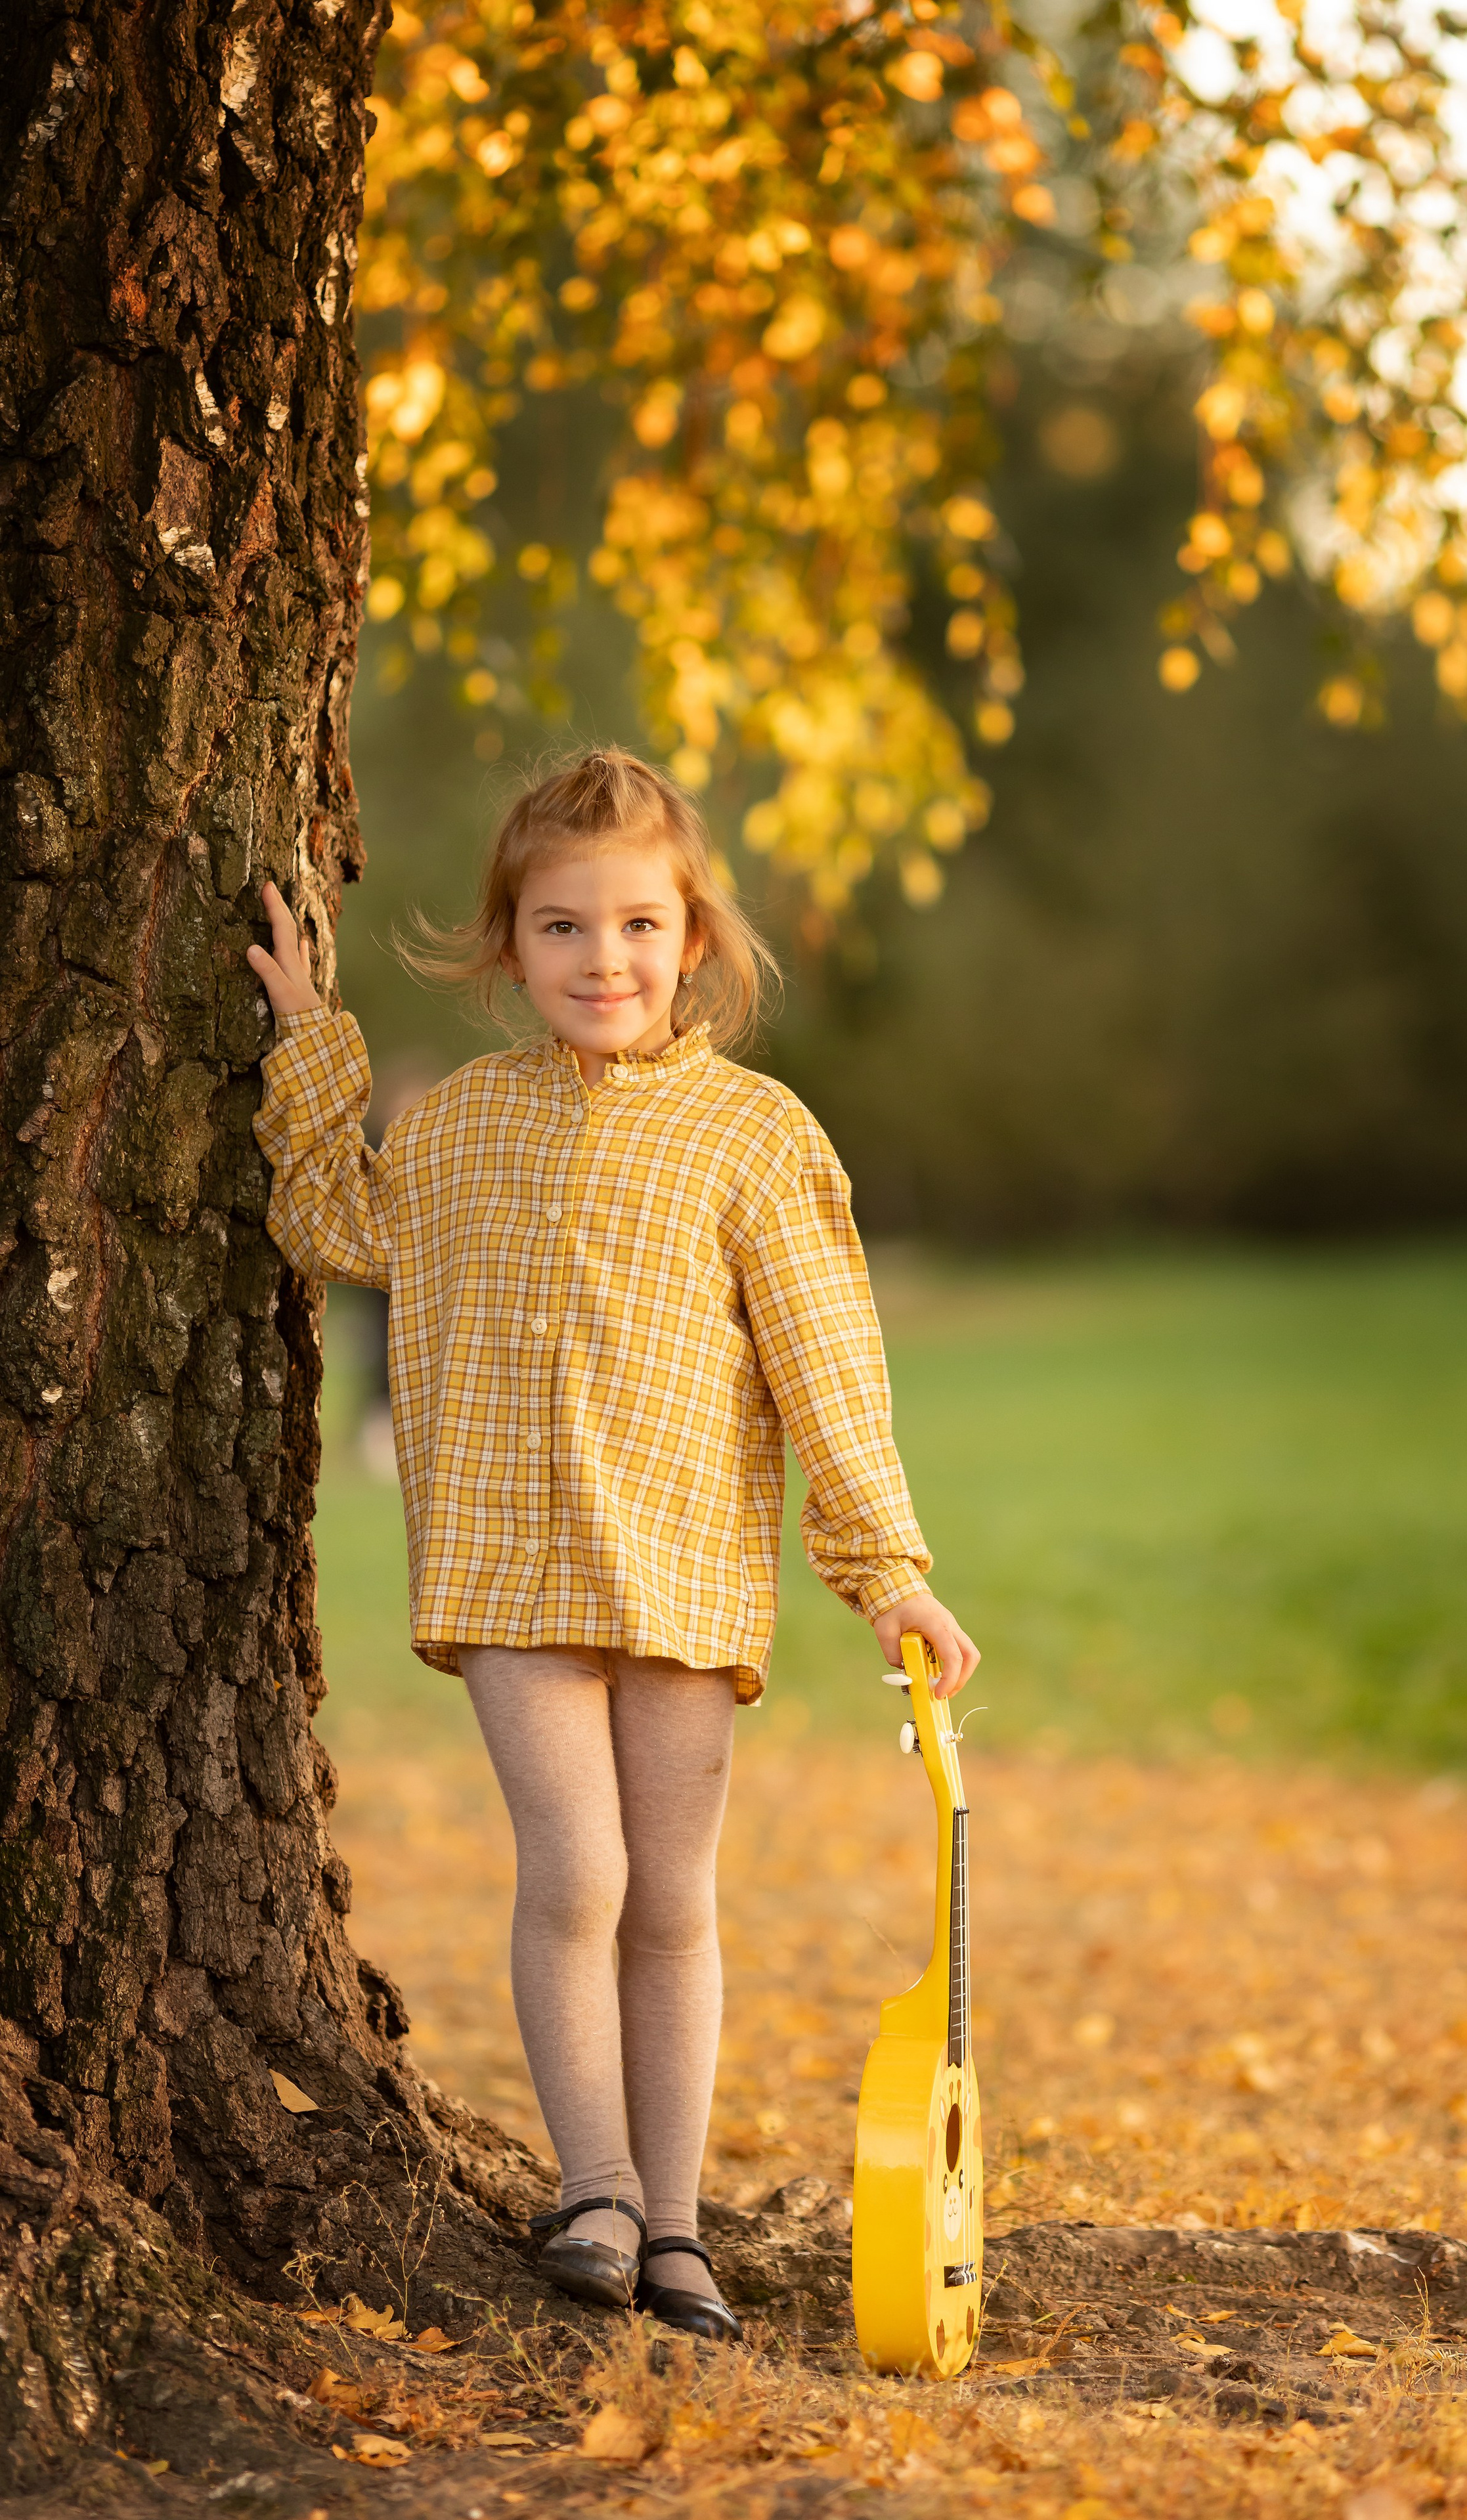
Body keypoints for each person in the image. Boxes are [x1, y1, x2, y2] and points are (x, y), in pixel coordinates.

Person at [248, 746, 979, 2343]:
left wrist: (887, 1568)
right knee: (575, 1870)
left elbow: (826, 1363)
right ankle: (592, 2186)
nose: (605, 959)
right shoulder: (454, 1127)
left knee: (671, 1896)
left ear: (695, 939)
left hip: (684, 1570)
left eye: (640, 924)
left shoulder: (752, 1136)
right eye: (565, 927)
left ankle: (676, 2225)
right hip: (511, 1562)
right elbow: (338, 1223)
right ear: (511, 944)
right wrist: (311, 1043)